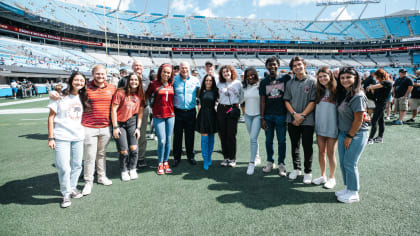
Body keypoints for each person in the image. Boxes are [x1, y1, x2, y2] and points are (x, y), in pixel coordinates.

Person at [47, 72, 87, 208]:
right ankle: (65, 193)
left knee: (77, 165)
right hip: (61, 136)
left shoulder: (84, 96)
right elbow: (51, 117)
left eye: (82, 80)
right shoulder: (59, 96)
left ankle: (72, 187)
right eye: (76, 80)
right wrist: (51, 137)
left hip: (78, 136)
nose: (79, 82)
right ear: (71, 81)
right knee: (63, 167)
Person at [79, 65, 116, 195]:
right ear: (93, 74)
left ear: (106, 75)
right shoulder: (85, 87)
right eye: (98, 74)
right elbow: (70, 94)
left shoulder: (112, 88)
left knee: (101, 154)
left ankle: (101, 176)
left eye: (103, 74)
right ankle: (88, 181)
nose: (101, 76)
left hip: (105, 127)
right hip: (89, 126)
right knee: (90, 156)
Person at [335, 67, 369, 203]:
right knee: (344, 163)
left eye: (348, 77)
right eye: (342, 77)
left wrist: (350, 136)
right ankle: (348, 188)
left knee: (350, 163)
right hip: (344, 133)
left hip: (356, 134)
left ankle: (354, 192)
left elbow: (359, 119)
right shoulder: (346, 93)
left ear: (356, 78)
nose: (345, 80)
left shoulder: (358, 95)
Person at [284, 56, 316, 184]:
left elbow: (313, 101)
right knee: (294, 145)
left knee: (307, 146)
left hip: (307, 120)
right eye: (294, 66)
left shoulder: (313, 81)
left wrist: (302, 116)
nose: (297, 67)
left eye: (299, 64)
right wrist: (294, 115)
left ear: (304, 65)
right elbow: (286, 100)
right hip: (292, 119)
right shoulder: (290, 83)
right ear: (292, 69)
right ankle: (296, 169)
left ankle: (308, 171)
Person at [111, 73, 145, 181]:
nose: (134, 82)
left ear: (139, 82)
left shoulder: (140, 95)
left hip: (132, 122)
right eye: (132, 79)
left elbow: (140, 113)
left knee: (134, 148)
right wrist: (115, 127)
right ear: (128, 81)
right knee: (124, 150)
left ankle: (132, 168)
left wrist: (138, 128)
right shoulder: (120, 92)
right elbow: (113, 110)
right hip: (120, 123)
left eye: (136, 80)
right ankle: (124, 170)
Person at [259, 56, 290, 176]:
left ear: (278, 65)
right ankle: (270, 162)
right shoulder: (264, 82)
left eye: (275, 64)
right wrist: (262, 118)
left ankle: (281, 164)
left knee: (282, 141)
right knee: (268, 141)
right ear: (266, 66)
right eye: (270, 65)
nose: (273, 66)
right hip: (268, 116)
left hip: (281, 115)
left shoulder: (286, 78)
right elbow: (262, 101)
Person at [146, 64, 175, 175]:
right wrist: (151, 107)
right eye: (164, 72)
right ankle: (159, 163)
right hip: (158, 115)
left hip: (171, 115)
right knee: (162, 141)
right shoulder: (153, 84)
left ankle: (166, 162)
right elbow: (147, 95)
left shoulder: (172, 84)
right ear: (160, 72)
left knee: (168, 140)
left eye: (168, 73)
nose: (166, 74)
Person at [312, 67, 338, 189]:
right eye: (320, 76)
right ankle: (323, 176)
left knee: (331, 153)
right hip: (320, 126)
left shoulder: (338, 90)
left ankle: (332, 177)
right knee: (321, 152)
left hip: (333, 127)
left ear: (330, 76)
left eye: (325, 76)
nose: (322, 78)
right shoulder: (318, 91)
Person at [172, 62, 201, 167]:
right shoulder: (174, 80)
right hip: (178, 112)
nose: (184, 70)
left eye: (186, 68)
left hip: (191, 112)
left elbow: (198, 94)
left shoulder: (195, 80)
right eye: (182, 68)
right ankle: (176, 157)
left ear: (189, 69)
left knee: (190, 135)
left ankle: (190, 156)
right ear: (179, 69)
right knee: (177, 136)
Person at [217, 65, 242, 167]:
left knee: (231, 135)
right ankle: (226, 157)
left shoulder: (238, 83)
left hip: (232, 108)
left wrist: (237, 104)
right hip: (221, 109)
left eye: (227, 72)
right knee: (222, 134)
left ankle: (232, 158)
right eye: (223, 72)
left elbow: (242, 96)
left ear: (232, 72)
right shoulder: (219, 84)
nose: (226, 74)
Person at [195, 74, 218, 170]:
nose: (208, 82)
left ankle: (209, 157)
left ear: (213, 82)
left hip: (212, 115)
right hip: (203, 115)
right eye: (206, 80)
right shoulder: (200, 90)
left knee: (211, 138)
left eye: (210, 80)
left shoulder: (215, 91)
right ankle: (205, 159)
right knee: (204, 138)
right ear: (204, 81)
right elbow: (197, 102)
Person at [241, 67, 262, 175]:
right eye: (248, 75)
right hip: (247, 116)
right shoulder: (244, 87)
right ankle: (257, 156)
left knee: (253, 138)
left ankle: (251, 163)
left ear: (255, 74)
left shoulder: (260, 85)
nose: (250, 77)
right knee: (253, 138)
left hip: (258, 116)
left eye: (252, 74)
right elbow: (240, 100)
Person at [366, 69, 392, 144]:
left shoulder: (387, 82)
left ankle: (370, 139)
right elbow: (374, 91)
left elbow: (373, 87)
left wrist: (371, 87)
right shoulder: (381, 83)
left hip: (381, 104)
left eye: (377, 77)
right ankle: (379, 137)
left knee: (374, 120)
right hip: (377, 103)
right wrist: (372, 88)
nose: (376, 78)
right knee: (380, 121)